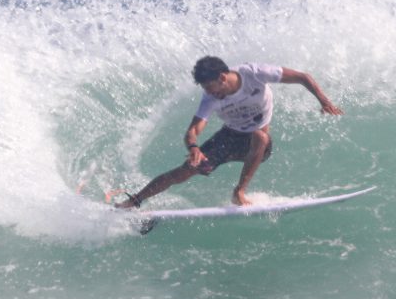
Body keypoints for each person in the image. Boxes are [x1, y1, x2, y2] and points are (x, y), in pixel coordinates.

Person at [115, 55, 343, 211]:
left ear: (223, 77)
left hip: (257, 145)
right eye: (205, 90)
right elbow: (194, 129)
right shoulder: (210, 98)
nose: (210, 93)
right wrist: (193, 148)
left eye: (211, 87)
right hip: (229, 137)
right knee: (185, 171)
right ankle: (135, 200)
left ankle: (239, 192)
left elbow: (302, 77)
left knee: (260, 136)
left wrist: (324, 101)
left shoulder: (254, 73)